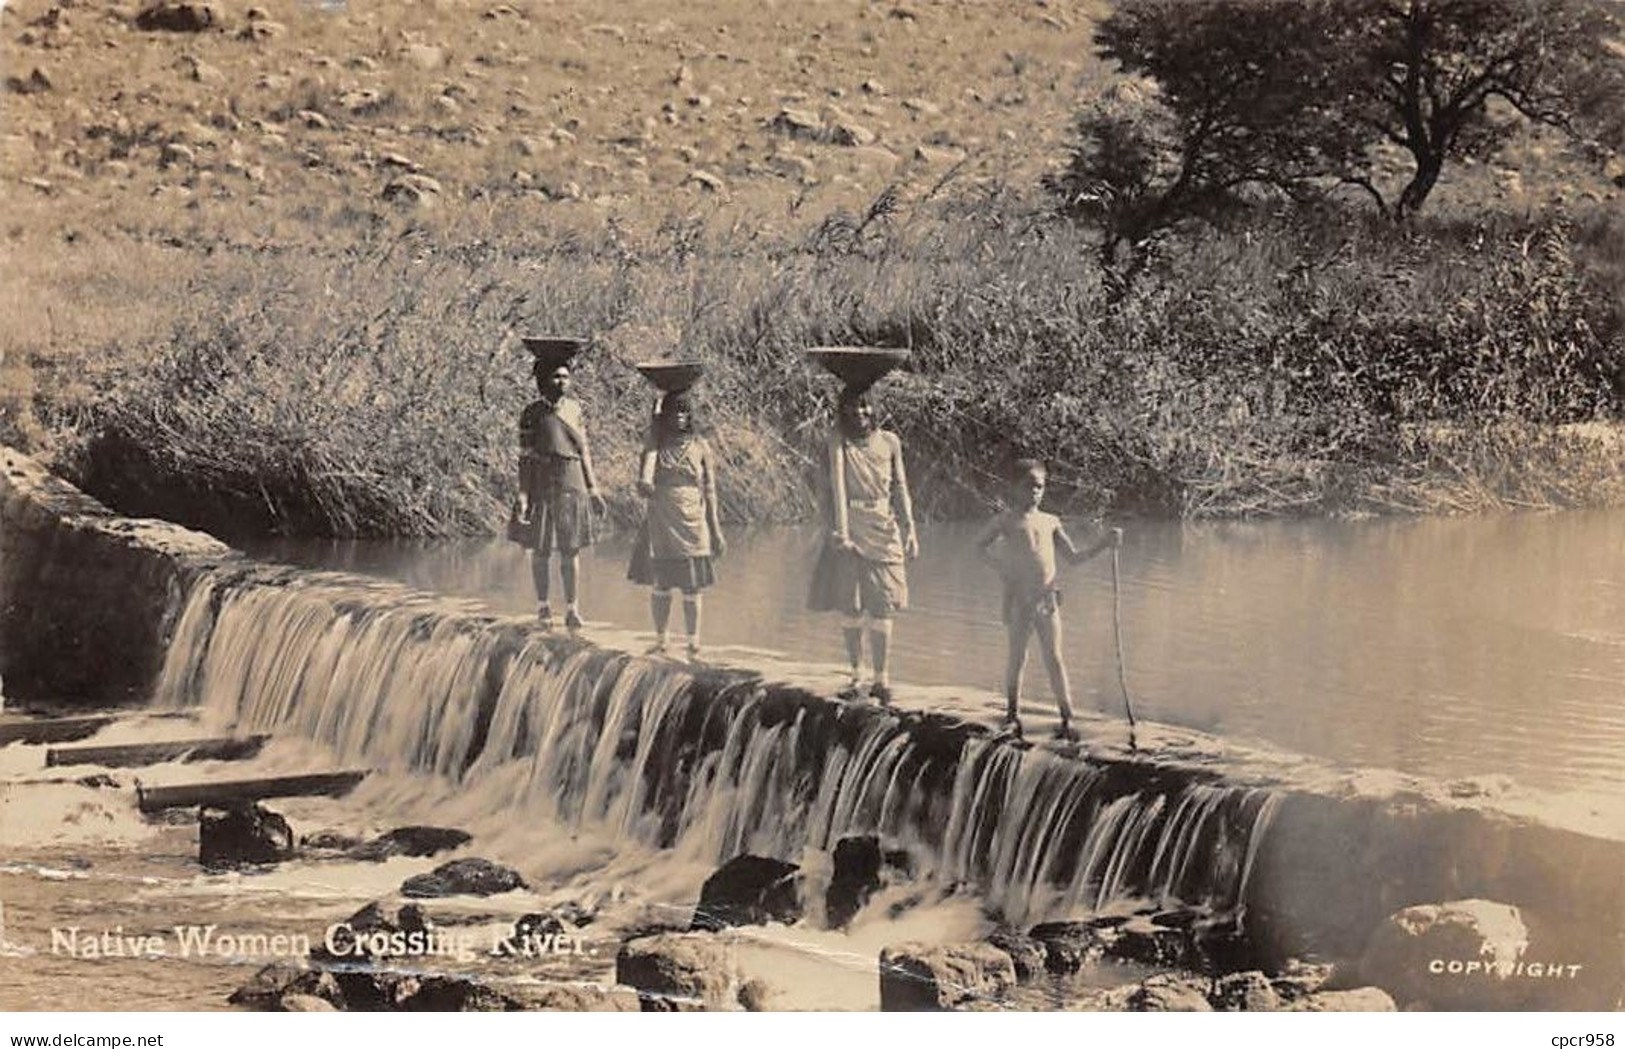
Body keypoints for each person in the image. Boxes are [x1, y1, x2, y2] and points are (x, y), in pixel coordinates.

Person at [974, 459, 1122, 741]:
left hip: (1046, 599)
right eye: (1028, 486)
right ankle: (1011, 713)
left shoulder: (1050, 521)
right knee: (1017, 658)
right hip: (1019, 599)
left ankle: (1067, 716)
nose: (1035, 492)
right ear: (1014, 488)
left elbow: (1074, 558)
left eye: (1040, 487)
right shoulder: (1005, 520)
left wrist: (1104, 543)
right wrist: (1001, 567)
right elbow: (978, 548)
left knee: (1054, 658)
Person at [807, 386, 919, 705]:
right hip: (849, 524)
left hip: (883, 524)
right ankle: (856, 673)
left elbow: (900, 486)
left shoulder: (890, 442)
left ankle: (881, 677)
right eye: (853, 407)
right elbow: (831, 490)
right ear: (843, 411)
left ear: (875, 408)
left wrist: (910, 527)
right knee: (851, 604)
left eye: (866, 406)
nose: (860, 413)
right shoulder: (837, 442)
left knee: (882, 604)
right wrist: (837, 530)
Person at [628, 383, 725, 660]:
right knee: (661, 583)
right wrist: (645, 483)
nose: (679, 417)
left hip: (694, 519)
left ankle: (693, 641)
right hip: (662, 518)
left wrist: (715, 530)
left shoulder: (701, 446)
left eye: (684, 411)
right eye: (673, 411)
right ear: (664, 415)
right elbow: (646, 473)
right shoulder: (655, 443)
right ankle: (661, 640)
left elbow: (710, 490)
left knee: (692, 585)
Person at [515, 338, 607, 631]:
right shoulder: (531, 413)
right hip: (542, 481)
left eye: (566, 376)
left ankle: (572, 608)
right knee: (540, 550)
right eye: (556, 376)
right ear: (543, 379)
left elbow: (585, 452)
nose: (562, 381)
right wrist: (523, 495)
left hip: (572, 480)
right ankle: (543, 606)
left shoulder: (576, 410)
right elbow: (525, 457)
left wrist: (593, 489)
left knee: (571, 550)